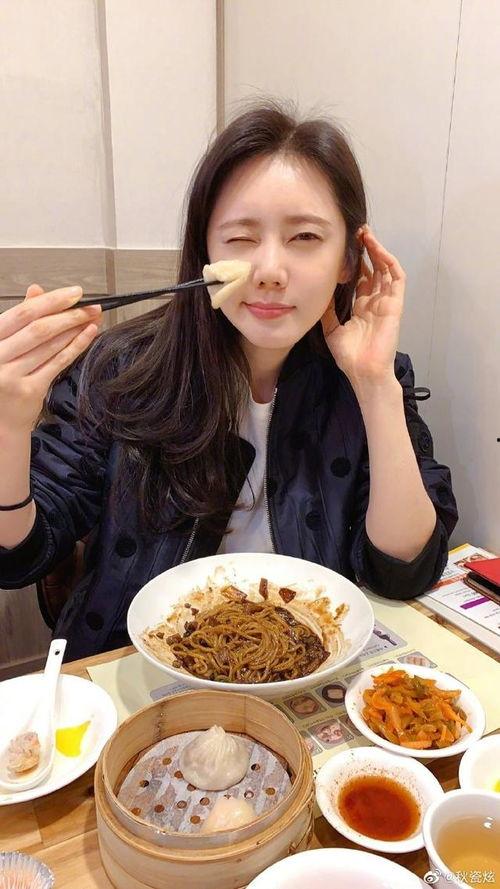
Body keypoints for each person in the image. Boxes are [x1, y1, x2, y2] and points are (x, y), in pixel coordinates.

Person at [0, 100, 458, 660]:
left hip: (305, 667)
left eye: (305, 237)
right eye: (241, 238)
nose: (269, 271)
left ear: (348, 261)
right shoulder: (120, 368)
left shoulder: (370, 377)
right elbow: (19, 556)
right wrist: (7, 429)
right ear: (206, 253)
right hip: (135, 669)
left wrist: (374, 386)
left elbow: (403, 571)